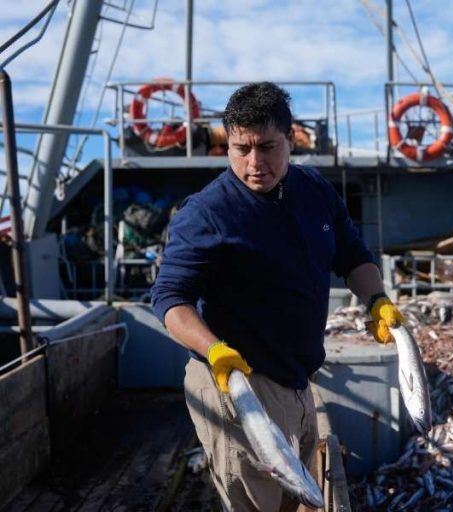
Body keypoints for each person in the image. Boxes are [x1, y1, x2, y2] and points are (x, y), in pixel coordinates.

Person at [150, 82, 403, 512]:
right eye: (240, 148)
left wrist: (377, 299)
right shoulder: (207, 212)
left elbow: (352, 255)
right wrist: (214, 352)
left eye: (267, 146)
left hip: (298, 379)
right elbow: (170, 299)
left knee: (295, 499)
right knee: (256, 503)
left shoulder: (315, 192)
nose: (254, 163)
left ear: (291, 140)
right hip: (238, 385)